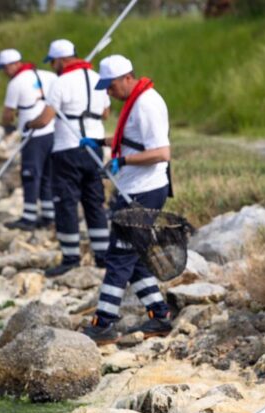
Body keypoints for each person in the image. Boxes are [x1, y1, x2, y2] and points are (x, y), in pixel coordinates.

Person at [82, 54, 173, 345]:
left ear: (127, 78)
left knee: (120, 256)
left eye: (111, 86)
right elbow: (131, 139)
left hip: (145, 190)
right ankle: (160, 315)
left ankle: (103, 323)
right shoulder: (134, 101)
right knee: (132, 258)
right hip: (133, 189)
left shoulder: (146, 104)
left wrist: (123, 161)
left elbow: (161, 153)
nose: (108, 92)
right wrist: (101, 142)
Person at [25, 38, 111, 277]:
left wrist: (29, 124)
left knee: (66, 203)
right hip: (95, 148)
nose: (52, 67)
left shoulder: (61, 82)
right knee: (94, 201)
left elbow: (45, 119)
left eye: (52, 62)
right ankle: (102, 257)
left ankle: (71, 258)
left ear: (61, 60)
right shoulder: (98, 79)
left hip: (67, 149)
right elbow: (105, 113)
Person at [0, 48, 57, 232]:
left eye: (5, 68)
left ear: (14, 64)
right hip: (53, 131)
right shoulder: (47, 75)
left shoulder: (16, 83)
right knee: (47, 175)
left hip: (33, 135)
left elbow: (8, 113)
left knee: (30, 175)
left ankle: (28, 218)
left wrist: (7, 126)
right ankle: (49, 215)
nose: (4, 72)